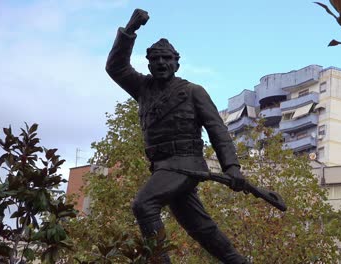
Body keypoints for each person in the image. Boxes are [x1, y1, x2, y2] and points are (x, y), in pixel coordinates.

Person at [105, 8, 247, 264]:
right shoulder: (143, 88)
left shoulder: (193, 91)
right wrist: (130, 30)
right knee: (200, 228)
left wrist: (232, 166)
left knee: (143, 205)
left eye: (167, 59)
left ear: (176, 63)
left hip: (185, 163)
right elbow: (115, 67)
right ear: (148, 64)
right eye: (156, 59)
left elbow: (217, 129)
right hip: (162, 166)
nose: (161, 63)